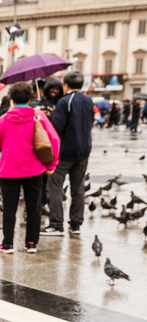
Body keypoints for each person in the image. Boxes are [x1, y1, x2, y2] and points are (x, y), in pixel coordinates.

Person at [0, 82, 60, 253]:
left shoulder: (3, 119)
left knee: (9, 208)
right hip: (34, 169)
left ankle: (7, 244)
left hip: (9, 170)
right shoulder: (39, 116)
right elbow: (54, 140)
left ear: (12, 100)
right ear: (30, 98)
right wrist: (51, 164)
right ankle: (31, 243)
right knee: (34, 206)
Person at [42, 70, 94, 236]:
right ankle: (76, 223)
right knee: (78, 187)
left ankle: (56, 224)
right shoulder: (88, 100)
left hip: (65, 151)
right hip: (84, 150)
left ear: (65, 85)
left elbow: (57, 127)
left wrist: (49, 117)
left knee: (55, 187)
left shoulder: (65, 101)